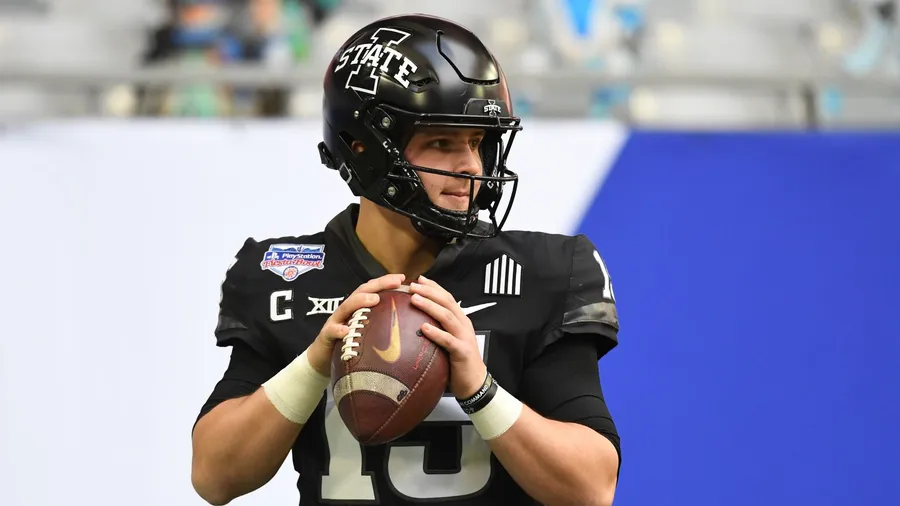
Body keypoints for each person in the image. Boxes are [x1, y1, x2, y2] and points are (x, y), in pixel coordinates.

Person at [191, 13, 621, 506]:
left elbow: (591, 487)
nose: (470, 166)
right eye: (442, 143)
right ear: (364, 148)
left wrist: (480, 390)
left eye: (477, 142)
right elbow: (214, 477)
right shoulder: (287, 275)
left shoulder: (544, 272)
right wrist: (311, 365)